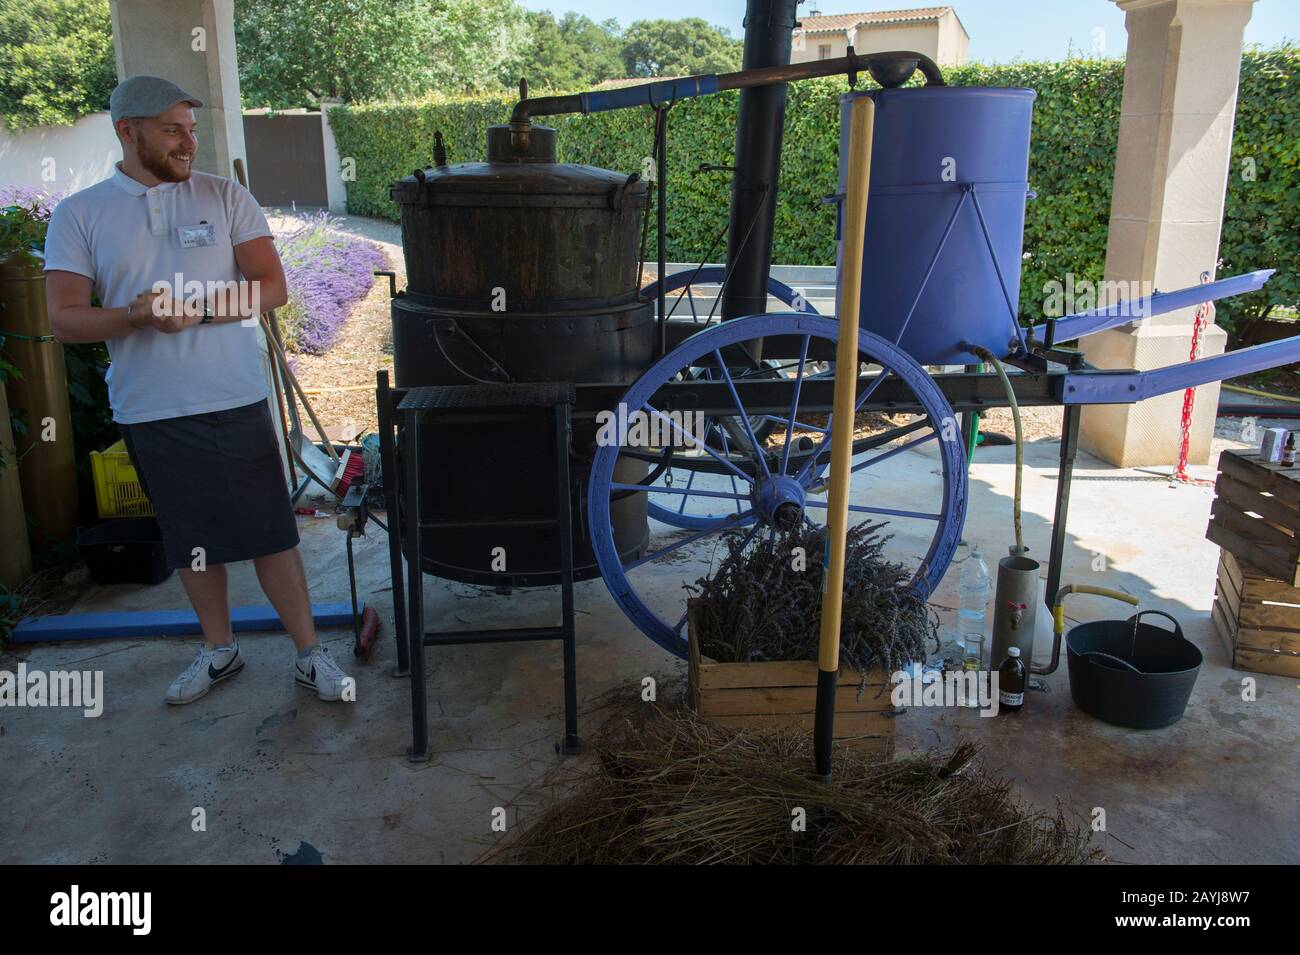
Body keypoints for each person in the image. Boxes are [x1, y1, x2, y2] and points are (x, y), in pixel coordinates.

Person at [44, 75, 351, 705]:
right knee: (192, 539)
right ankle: (220, 651)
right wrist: (134, 316)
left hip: (235, 395)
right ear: (127, 132)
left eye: (191, 129)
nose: (188, 143)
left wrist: (199, 311)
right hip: (150, 406)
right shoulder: (81, 214)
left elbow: (272, 287)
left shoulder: (225, 196)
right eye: (172, 130)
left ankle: (309, 653)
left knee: (273, 532)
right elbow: (65, 318)